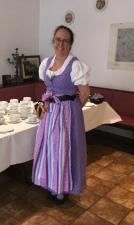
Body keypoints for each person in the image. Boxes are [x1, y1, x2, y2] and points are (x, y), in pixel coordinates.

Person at [32, 25, 91, 203]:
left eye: (65, 40)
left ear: (71, 44)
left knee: (64, 150)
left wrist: (72, 109)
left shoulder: (75, 65)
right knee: (49, 148)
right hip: (49, 111)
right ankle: (50, 183)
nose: (61, 43)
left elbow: (85, 93)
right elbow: (48, 89)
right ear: (53, 41)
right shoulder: (46, 63)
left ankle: (62, 188)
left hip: (67, 113)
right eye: (58, 39)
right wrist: (43, 109)